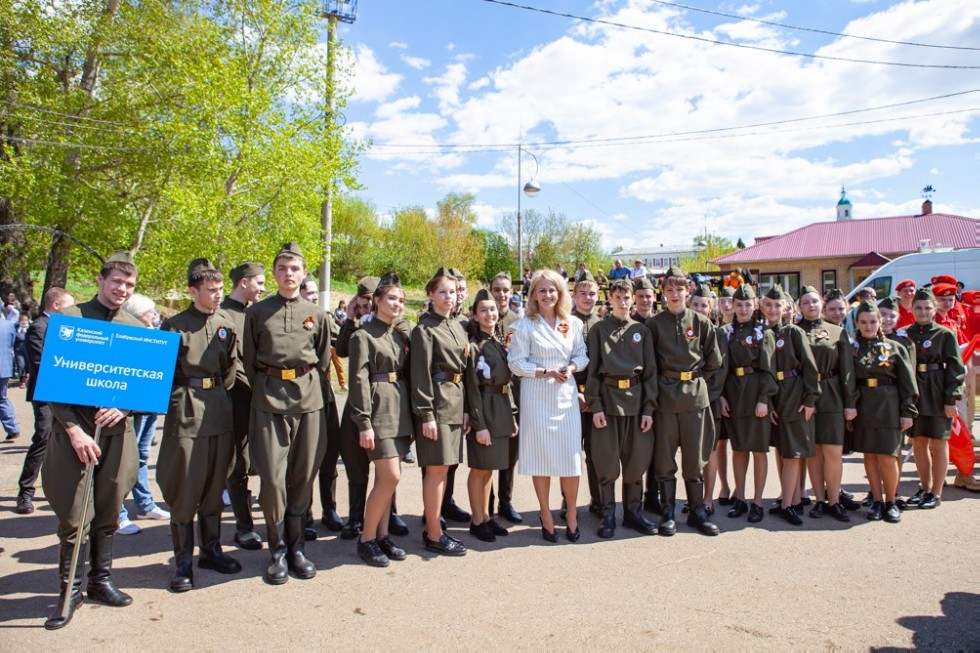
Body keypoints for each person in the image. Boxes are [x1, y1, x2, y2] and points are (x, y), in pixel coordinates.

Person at [41, 251, 143, 630]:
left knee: (108, 505)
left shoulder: (136, 326)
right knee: (74, 513)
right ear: (101, 280)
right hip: (77, 433)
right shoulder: (69, 320)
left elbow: (142, 385)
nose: (122, 290)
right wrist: (73, 429)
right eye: (117, 282)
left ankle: (100, 581)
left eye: (129, 285)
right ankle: (70, 592)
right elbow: (51, 383)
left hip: (117, 434)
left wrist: (126, 408)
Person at [243, 242, 331, 584]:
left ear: (304, 273)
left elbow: (322, 360)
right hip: (268, 400)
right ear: (274, 273)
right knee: (271, 478)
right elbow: (249, 360)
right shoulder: (257, 313)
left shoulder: (317, 314)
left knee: (303, 474)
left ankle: (297, 549)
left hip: (308, 400)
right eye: (282, 268)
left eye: (295, 268)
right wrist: (269, 384)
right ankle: (277, 550)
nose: (289, 274)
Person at [158, 259, 242, 592]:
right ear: (193, 291)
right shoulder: (174, 325)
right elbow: (162, 374)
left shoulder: (226, 323)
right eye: (211, 290)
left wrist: (217, 393)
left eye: (221, 289)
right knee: (186, 487)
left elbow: (232, 369)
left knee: (213, 484)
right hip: (186, 408)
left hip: (218, 407)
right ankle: (182, 561)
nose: (218, 295)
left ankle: (211, 550)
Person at [508, 269, 589, 542]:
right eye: (541, 290)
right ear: (533, 294)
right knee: (541, 459)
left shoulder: (572, 323)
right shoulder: (523, 325)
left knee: (571, 458)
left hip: (565, 396)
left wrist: (571, 367)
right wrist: (545, 372)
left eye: (552, 289)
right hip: (537, 396)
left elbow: (582, 355)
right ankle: (545, 513)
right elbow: (516, 364)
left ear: (561, 292)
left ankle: (572, 514)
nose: (547, 295)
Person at [645, 267, 722, 536]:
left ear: (687, 291)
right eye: (669, 290)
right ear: (663, 293)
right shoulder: (654, 325)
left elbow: (714, 361)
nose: (675, 294)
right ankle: (668, 512)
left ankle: (697, 511)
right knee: (665, 459)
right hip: (666, 400)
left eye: (679, 289)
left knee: (694, 459)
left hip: (695, 400)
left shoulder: (701, 322)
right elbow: (650, 366)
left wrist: (698, 384)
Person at [585, 278, 656, 538]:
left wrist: (648, 408)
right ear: (610, 299)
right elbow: (593, 371)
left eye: (627, 298)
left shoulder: (642, 331)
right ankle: (607, 514)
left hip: (636, 403)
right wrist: (596, 405)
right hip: (608, 400)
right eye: (618, 298)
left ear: (633, 300)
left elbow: (650, 373)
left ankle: (633, 512)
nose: (623, 302)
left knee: (636, 461)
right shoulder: (599, 330)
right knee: (606, 462)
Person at [350, 273, 413, 566]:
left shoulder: (398, 334)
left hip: (399, 409)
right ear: (376, 301)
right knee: (391, 476)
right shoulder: (362, 336)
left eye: (401, 300)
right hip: (378, 410)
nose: (397, 304)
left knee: (386, 480)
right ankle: (366, 539)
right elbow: (358, 381)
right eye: (391, 298)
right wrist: (363, 422)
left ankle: (382, 535)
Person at [411, 267, 470, 556]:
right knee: (435, 472)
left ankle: (435, 527)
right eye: (443, 292)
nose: (450, 296)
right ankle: (433, 533)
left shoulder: (457, 325)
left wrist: (467, 411)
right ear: (431, 295)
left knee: (444, 469)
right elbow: (420, 374)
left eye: (454, 291)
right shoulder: (424, 329)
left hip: (455, 405)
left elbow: (463, 371)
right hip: (436, 404)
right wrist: (426, 415)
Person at [849, 301, 918, 523]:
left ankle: (891, 501)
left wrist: (907, 410)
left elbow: (908, 383)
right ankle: (877, 501)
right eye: (863, 322)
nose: (868, 326)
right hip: (864, 406)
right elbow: (848, 382)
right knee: (869, 455)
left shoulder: (895, 347)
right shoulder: (852, 349)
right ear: (857, 324)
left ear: (880, 322)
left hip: (889, 405)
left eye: (872, 321)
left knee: (888, 457)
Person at [796, 286, 857, 522]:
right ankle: (820, 501)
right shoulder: (794, 331)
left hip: (831, 394)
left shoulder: (835, 332)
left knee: (833, 451)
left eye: (814, 301)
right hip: (804, 397)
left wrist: (850, 403)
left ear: (821, 303)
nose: (811, 306)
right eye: (805, 303)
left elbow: (847, 372)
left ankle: (834, 500)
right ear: (799, 307)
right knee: (814, 452)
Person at [903, 287, 966, 510]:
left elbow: (956, 369)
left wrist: (951, 399)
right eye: (918, 307)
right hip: (915, 392)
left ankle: (936, 492)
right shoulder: (904, 333)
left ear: (934, 309)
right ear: (911, 308)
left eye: (927, 307)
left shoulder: (944, 334)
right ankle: (924, 486)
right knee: (919, 442)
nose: (922, 311)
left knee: (939, 443)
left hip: (938, 392)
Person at [464, 289, 518, 543]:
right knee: (479, 469)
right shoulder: (474, 347)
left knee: (488, 470)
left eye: (493, 309)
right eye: (483, 310)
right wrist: (479, 425)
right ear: (474, 315)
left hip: (500, 408)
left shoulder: (497, 342)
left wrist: (512, 418)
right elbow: (473, 390)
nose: (489, 314)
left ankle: (486, 516)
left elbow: (507, 382)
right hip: (484, 409)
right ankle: (477, 521)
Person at [762, 286, 819, 525]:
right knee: (784, 450)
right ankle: (793, 499)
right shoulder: (764, 333)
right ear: (763, 307)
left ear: (787, 308)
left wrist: (809, 399)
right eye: (769, 305)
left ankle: (787, 505)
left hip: (795, 394)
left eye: (778, 305)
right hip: (776, 396)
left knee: (794, 452)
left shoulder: (794, 332)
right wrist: (768, 401)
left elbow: (809, 367)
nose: (774, 309)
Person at [15, 288, 75, 515]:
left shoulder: (65, 328)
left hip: (67, 397)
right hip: (46, 397)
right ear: (57, 305)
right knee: (43, 439)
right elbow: (40, 364)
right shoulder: (38, 328)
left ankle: (58, 490)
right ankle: (26, 492)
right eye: (69, 306)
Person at [721, 284, 777, 525]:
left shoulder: (764, 333)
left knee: (758, 449)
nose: (743, 309)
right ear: (732, 306)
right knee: (739, 448)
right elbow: (721, 367)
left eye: (747, 304)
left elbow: (769, 369)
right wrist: (721, 395)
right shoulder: (726, 332)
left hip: (755, 392)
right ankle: (740, 497)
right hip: (734, 392)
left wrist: (764, 399)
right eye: (739, 304)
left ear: (755, 305)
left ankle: (757, 501)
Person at [219, 261, 266, 550]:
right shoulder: (222, 316)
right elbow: (230, 364)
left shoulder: (255, 313)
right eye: (259, 282)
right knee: (237, 463)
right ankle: (244, 526)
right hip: (237, 401)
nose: (262, 288)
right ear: (244, 283)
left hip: (261, 400)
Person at [116, 293, 171, 536]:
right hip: (129, 409)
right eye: (150, 313)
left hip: (149, 407)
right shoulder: (125, 335)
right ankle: (117, 514)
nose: (154, 316)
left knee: (142, 456)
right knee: (123, 461)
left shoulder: (152, 335)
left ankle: (145, 504)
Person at [298, 275, 343, 538]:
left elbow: (344, 342)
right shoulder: (294, 319)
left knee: (329, 454)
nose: (314, 297)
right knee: (305, 459)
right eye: (310, 293)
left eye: (316, 293)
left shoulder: (324, 317)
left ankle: (330, 508)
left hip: (324, 393)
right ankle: (305, 514)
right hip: (302, 395)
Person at [689, 285, 729, 514]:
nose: (700, 309)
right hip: (687, 400)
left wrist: (707, 395)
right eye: (695, 304)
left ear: (711, 307)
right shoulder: (684, 330)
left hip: (709, 399)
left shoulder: (718, 333)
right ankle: (693, 499)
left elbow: (720, 369)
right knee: (692, 452)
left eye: (704, 305)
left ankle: (708, 499)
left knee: (710, 450)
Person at [488, 271, 523, 523]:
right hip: (489, 396)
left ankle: (505, 501)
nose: (501, 294)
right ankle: (485, 505)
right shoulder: (479, 320)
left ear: (511, 293)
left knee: (511, 453)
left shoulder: (517, 322)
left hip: (513, 393)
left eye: (505, 290)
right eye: (497, 289)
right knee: (489, 454)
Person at [570, 273, 603, 516]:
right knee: (569, 452)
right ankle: (568, 501)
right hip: (571, 396)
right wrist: (575, 393)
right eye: (582, 293)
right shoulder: (565, 323)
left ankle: (598, 499)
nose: (587, 298)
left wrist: (595, 396)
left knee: (595, 453)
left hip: (596, 398)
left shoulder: (604, 324)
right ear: (574, 295)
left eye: (592, 293)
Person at [0, 314, 20, 442]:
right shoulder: (8, 325)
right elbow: (13, 344)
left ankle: (12, 429)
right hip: (5, 366)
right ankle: (12, 428)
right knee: (2, 398)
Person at [14, 312, 29, 386]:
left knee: (28, 365)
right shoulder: (16, 328)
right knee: (21, 364)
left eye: (25, 320)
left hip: (28, 349)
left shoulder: (30, 327)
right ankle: (22, 380)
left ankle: (27, 376)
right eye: (22, 320)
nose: (24, 322)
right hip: (19, 349)